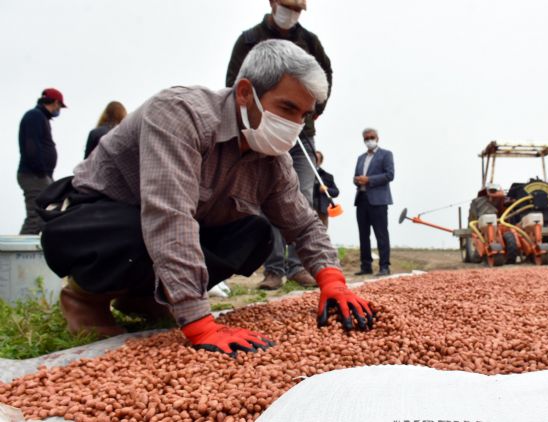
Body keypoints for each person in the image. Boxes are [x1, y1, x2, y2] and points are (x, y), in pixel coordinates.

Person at [37, 40, 374, 357]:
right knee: (140, 227)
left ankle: (144, 298)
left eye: (304, 115)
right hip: (96, 223)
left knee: (253, 233)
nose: (294, 125)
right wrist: (200, 325)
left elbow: (302, 225)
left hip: (162, 230)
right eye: (286, 107)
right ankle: (85, 298)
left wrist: (333, 281)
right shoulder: (181, 114)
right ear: (245, 93)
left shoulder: (272, 160)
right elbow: (168, 215)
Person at [225, 0, 333, 291]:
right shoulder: (249, 40)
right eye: (287, 6)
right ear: (273, 3)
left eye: (298, 10)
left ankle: (301, 265)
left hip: (301, 137)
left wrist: (308, 113)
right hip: (259, 127)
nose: (292, 14)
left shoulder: (310, 41)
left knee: (302, 199)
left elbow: (326, 77)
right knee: (267, 200)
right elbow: (233, 84)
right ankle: (274, 269)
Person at [17, 88, 65, 235]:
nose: (60, 110)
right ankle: (19, 255)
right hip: (34, 175)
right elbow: (31, 146)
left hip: (40, 175)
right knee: (36, 217)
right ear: (55, 102)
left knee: (50, 212)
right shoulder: (35, 116)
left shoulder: (40, 117)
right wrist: (41, 171)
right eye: (60, 106)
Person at [353, 128, 394, 276]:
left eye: (372, 137)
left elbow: (390, 175)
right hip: (362, 199)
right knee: (363, 235)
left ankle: (384, 266)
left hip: (378, 201)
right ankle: (366, 266)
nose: (369, 140)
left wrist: (369, 180)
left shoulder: (386, 155)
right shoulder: (361, 158)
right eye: (366, 138)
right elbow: (355, 177)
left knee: (381, 234)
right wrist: (357, 180)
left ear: (377, 138)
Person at [312, 150, 339, 227]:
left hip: (322, 210)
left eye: (317, 159)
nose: (315, 161)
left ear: (320, 161)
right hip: (308, 208)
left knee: (322, 232)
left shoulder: (328, 176)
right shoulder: (304, 174)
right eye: (313, 158)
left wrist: (326, 189)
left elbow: (336, 192)